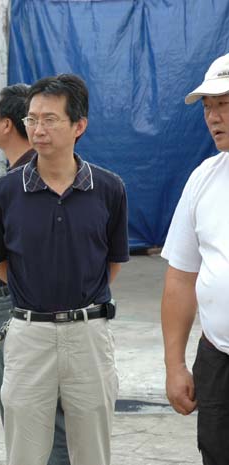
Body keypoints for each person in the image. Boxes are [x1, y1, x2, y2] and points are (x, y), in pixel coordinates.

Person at [0, 74, 128, 465]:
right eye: (32, 119)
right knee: (25, 451)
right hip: (29, 335)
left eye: (50, 119)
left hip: (89, 336)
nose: (38, 129)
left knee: (92, 451)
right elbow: (0, 264)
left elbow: (112, 262)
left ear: (79, 125)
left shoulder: (109, 189)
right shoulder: (3, 193)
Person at [0, 84, 70, 465]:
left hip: (20, 305)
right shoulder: (17, 178)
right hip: (20, 301)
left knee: (30, 416)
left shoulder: (29, 177)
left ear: (7, 124)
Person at [161, 52, 229, 465]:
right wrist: (174, 365)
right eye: (208, 107)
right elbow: (180, 278)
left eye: (224, 104)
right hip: (218, 359)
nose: (213, 117)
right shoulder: (204, 178)